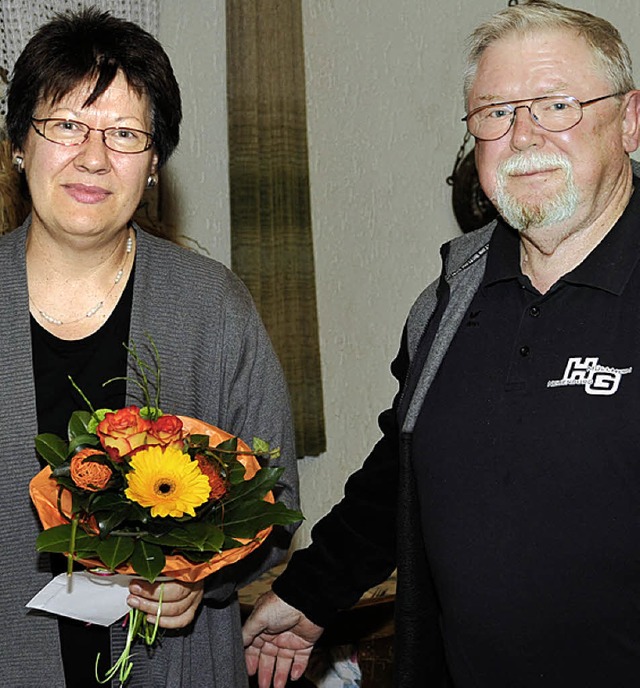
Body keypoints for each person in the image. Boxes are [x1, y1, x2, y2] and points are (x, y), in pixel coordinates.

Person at [242, 1, 640, 686]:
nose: (523, 135)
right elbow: (407, 466)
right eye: (495, 113)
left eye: (555, 105)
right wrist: (312, 593)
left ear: (630, 119)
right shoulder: (449, 298)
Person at [1, 7, 299, 687]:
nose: (94, 157)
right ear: (20, 143)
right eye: (67, 125)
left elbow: (273, 501)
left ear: (155, 162)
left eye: (126, 133)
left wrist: (204, 579)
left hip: (174, 664)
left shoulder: (211, 306)